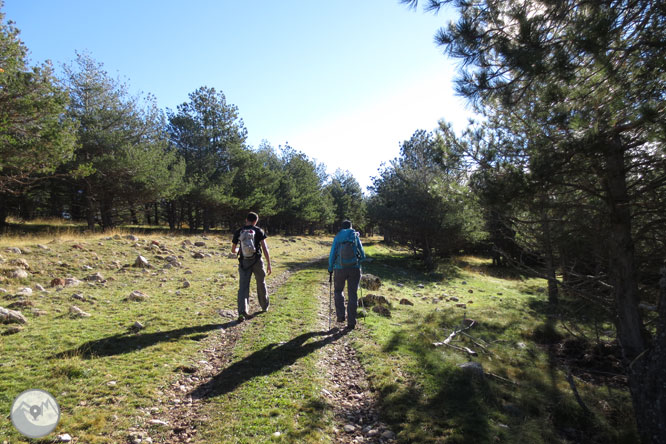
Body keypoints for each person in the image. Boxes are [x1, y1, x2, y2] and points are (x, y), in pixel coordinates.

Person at [231, 212, 272, 321]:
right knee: (261, 283)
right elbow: (265, 248)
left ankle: (242, 312)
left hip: (244, 262)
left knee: (243, 287)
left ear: (246, 220)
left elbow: (233, 250)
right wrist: (269, 263)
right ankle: (264, 306)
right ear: (256, 221)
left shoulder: (239, 231)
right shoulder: (259, 231)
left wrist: (239, 250)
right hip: (257, 261)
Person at [328, 220, 365, 330]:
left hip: (339, 268)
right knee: (352, 294)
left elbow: (332, 253)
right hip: (354, 268)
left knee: (338, 291)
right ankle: (351, 322)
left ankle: (340, 316)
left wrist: (330, 268)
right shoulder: (355, 236)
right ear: (351, 227)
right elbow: (362, 255)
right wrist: (358, 260)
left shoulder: (338, 237)